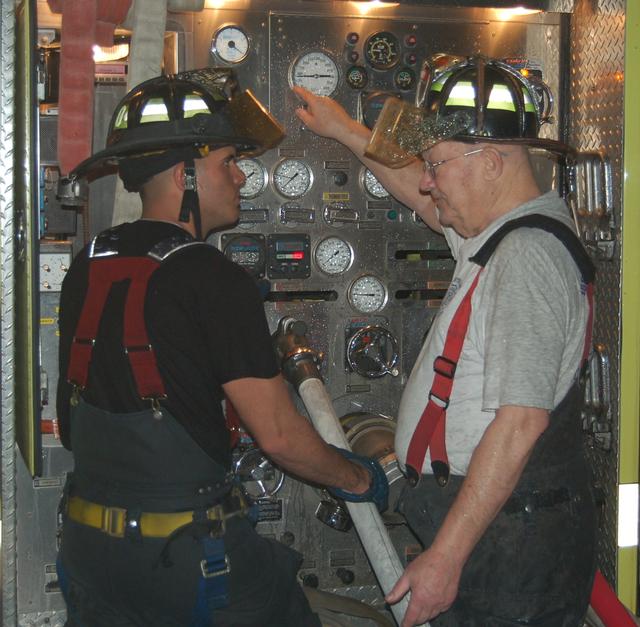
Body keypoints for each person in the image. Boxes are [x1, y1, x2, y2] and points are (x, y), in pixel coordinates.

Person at [55, 68, 387, 627]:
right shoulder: (213, 278)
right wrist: (361, 479)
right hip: (193, 564)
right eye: (228, 161)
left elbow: (72, 423)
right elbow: (280, 437)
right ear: (185, 172)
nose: (240, 177)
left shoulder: (87, 265)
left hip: (91, 557)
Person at [294, 55, 597, 627]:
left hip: (510, 551)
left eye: (436, 163)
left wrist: (446, 560)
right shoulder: (501, 233)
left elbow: (519, 424)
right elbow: (419, 197)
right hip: (496, 525)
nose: (428, 181)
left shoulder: (526, 258)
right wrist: (341, 128)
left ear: (489, 162)